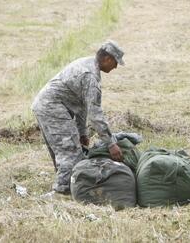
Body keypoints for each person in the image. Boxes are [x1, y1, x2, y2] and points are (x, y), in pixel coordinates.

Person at [31, 41, 125, 194]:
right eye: (115, 63)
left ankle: (67, 183)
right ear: (108, 59)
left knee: (63, 148)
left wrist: (82, 133)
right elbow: (95, 115)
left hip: (45, 105)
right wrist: (111, 143)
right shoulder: (90, 77)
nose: (115, 67)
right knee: (70, 151)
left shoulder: (87, 63)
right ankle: (62, 192)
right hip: (52, 108)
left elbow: (81, 105)